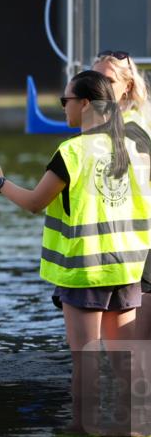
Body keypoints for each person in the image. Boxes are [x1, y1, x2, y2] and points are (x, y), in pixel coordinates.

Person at [0, 71, 149, 425]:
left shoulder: (71, 152)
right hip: (128, 269)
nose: (63, 107)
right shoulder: (133, 146)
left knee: (85, 363)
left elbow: (35, 202)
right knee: (126, 364)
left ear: (85, 104)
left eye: (65, 101)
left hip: (85, 271)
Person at [92, 50, 151, 340]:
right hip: (127, 247)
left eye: (107, 80)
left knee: (131, 353)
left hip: (140, 251)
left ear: (127, 86)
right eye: (93, 80)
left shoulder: (132, 129)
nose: (98, 87)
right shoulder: (108, 126)